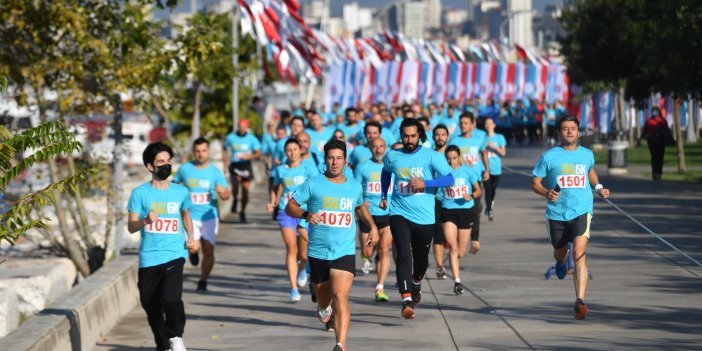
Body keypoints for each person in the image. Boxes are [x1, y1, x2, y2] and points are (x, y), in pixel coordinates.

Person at [286, 139, 379, 351]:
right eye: (331, 158)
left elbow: (360, 207)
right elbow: (289, 207)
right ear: (325, 160)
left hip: (344, 250)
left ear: (346, 161)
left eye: (339, 158)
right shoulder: (313, 184)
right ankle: (323, 306)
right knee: (326, 298)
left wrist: (372, 226)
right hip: (318, 251)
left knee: (341, 296)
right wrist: (306, 214)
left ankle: (341, 344)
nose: (335, 162)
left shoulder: (354, 186)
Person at [531, 115, 610, 320]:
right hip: (556, 213)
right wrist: (546, 192)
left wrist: (599, 187)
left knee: (580, 254)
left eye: (573, 128)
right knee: (560, 251)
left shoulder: (587, 155)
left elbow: (590, 172)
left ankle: (580, 300)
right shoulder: (549, 156)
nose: (569, 132)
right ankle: (560, 261)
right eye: (565, 129)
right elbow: (535, 182)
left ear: (578, 131)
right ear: (559, 132)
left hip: (582, 210)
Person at [127, 142, 199, 351]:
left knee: (171, 298)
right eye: (161, 162)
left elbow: (186, 215)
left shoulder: (181, 192)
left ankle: (175, 335)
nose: (166, 165)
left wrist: (191, 237)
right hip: (149, 257)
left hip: (174, 253)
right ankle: (163, 344)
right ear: (150, 167)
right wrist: (145, 221)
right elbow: (131, 227)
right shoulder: (139, 194)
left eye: (168, 161)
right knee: (151, 306)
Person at [380, 118, 454, 319]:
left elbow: (449, 179)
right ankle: (406, 300)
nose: (409, 139)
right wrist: (383, 196)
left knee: (421, 262)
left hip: (424, 217)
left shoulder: (431, 156)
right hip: (399, 212)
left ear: (420, 135)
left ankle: (416, 282)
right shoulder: (393, 155)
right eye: (405, 136)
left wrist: (426, 183)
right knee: (403, 253)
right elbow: (385, 172)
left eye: (413, 136)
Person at [173, 137, 230, 293]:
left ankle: (203, 280)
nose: (200, 154)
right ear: (194, 152)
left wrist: (223, 193)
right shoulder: (185, 169)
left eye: (204, 151)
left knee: (209, 250)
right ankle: (193, 254)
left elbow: (226, 194)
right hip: (190, 216)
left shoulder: (215, 172)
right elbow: (173, 185)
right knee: (193, 247)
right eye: (197, 151)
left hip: (209, 216)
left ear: (208, 152)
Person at [267, 138, 318, 302]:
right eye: (289, 150)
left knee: (303, 254)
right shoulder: (280, 170)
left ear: (300, 150)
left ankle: (303, 269)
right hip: (285, 211)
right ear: (285, 152)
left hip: (304, 213)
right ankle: (293, 289)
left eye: (295, 149)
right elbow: (275, 187)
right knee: (291, 248)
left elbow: (317, 187)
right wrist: (273, 201)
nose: (292, 153)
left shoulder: (309, 168)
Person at [354, 136, 393, 302]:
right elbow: (355, 190)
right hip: (368, 216)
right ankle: (369, 257)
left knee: (385, 249)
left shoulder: (392, 167)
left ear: (386, 147)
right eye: (375, 147)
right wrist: (361, 202)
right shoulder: (362, 167)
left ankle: (380, 287)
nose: (378, 150)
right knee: (367, 251)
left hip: (388, 215)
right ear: (370, 148)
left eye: (381, 146)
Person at [439, 145, 482, 295]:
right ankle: (457, 282)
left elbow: (478, 190)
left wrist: (470, 196)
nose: (451, 161)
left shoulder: (468, 171)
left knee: (461, 252)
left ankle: (453, 262)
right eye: (448, 158)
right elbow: (437, 191)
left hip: (465, 211)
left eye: (454, 158)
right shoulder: (442, 172)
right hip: (448, 210)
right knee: (453, 247)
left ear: (459, 157)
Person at [223, 119, 261, 223]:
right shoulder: (231, 137)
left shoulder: (251, 138)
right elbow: (224, 149)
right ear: (237, 126)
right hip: (234, 165)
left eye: (244, 127)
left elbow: (258, 153)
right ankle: (235, 199)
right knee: (235, 188)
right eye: (240, 127)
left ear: (247, 128)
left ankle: (242, 211)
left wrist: (249, 155)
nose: (241, 129)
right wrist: (225, 163)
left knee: (245, 191)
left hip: (246, 166)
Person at [430, 124, 450, 279]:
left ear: (447, 137)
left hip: (454, 200)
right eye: (437, 135)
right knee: (438, 233)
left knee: (454, 241)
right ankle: (440, 266)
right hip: (436, 199)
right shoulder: (429, 156)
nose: (440, 138)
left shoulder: (454, 155)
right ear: (433, 137)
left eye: (443, 135)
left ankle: (453, 253)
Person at [483, 117, 507, 221]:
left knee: (492, 190)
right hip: (485, 169)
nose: (488, 125)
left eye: (490, 123)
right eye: (486, 124)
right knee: (487, 190)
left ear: (494, 125)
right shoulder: (482, 138)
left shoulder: (499, 137)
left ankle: (490, 203)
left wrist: (494, 147)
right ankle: (489, 210)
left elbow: (503, 153)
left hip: (496, 169)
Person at [639, 106, 671, 181]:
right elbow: (645, 130)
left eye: (656, 111)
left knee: (660, 157)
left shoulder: (662, 121)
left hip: (661, 142)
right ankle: (655, 173)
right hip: (652, 142)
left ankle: (659, 172)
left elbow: (667, 130)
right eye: (653, 111)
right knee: (654, 157)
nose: (655, 113)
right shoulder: (649, 121)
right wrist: (641, 138)